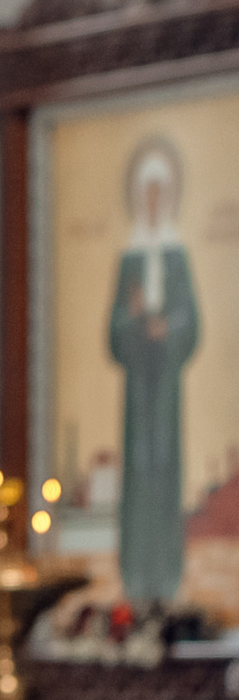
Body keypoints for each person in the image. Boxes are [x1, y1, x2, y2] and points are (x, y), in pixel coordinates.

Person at [113, 137, 199, 606]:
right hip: (136, 392)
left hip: (165, 388)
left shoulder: (176, 254)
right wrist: (135, 319)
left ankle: (166, 577)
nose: (150, 199)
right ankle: (135, 576)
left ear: (165, 195)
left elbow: (193, 320)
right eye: (144, 190)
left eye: (157, 190)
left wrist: (169, 326)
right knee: (137, 479)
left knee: (164, 473)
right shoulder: (129, 256)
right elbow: (114, 328)